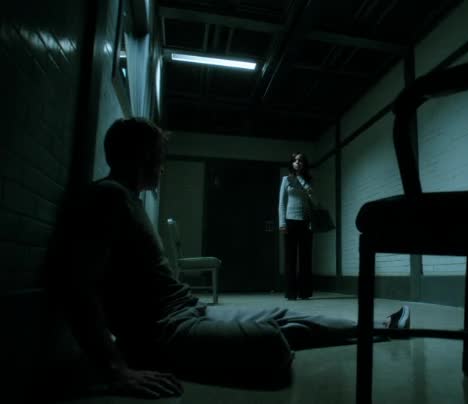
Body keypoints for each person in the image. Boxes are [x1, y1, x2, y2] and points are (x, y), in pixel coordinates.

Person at [43, 118, 410, 399]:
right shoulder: (107, 197)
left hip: (191, 311)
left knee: (282, 314)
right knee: (272, 344)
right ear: (143, 157)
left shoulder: (130, 199)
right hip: (168, 332)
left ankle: (381, 325)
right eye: (159, 157)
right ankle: (251, 341)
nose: (162, 166)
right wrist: (116, 370)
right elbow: (78, 286)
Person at [278, 152, 315, 300]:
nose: (298, 162)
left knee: (306, 257)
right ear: (291, 163)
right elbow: (281, 203)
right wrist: (282, 223)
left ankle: (305, 292)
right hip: (290, 221)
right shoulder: (286, 179)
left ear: (304, 164)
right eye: (295, 160)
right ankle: (291, 292)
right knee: (290, 258)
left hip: (306, 221)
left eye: (300, 160)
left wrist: (300, 178)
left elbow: (312, 198)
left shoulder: (308, 180)